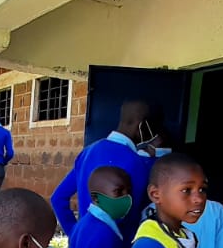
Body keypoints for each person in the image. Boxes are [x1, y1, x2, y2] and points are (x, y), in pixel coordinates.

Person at [50, 101, 159, 239]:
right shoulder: (137, 163)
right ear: (142, 126)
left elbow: (58, 198)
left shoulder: (88, 152)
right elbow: (132, 217)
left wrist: (75, 234)